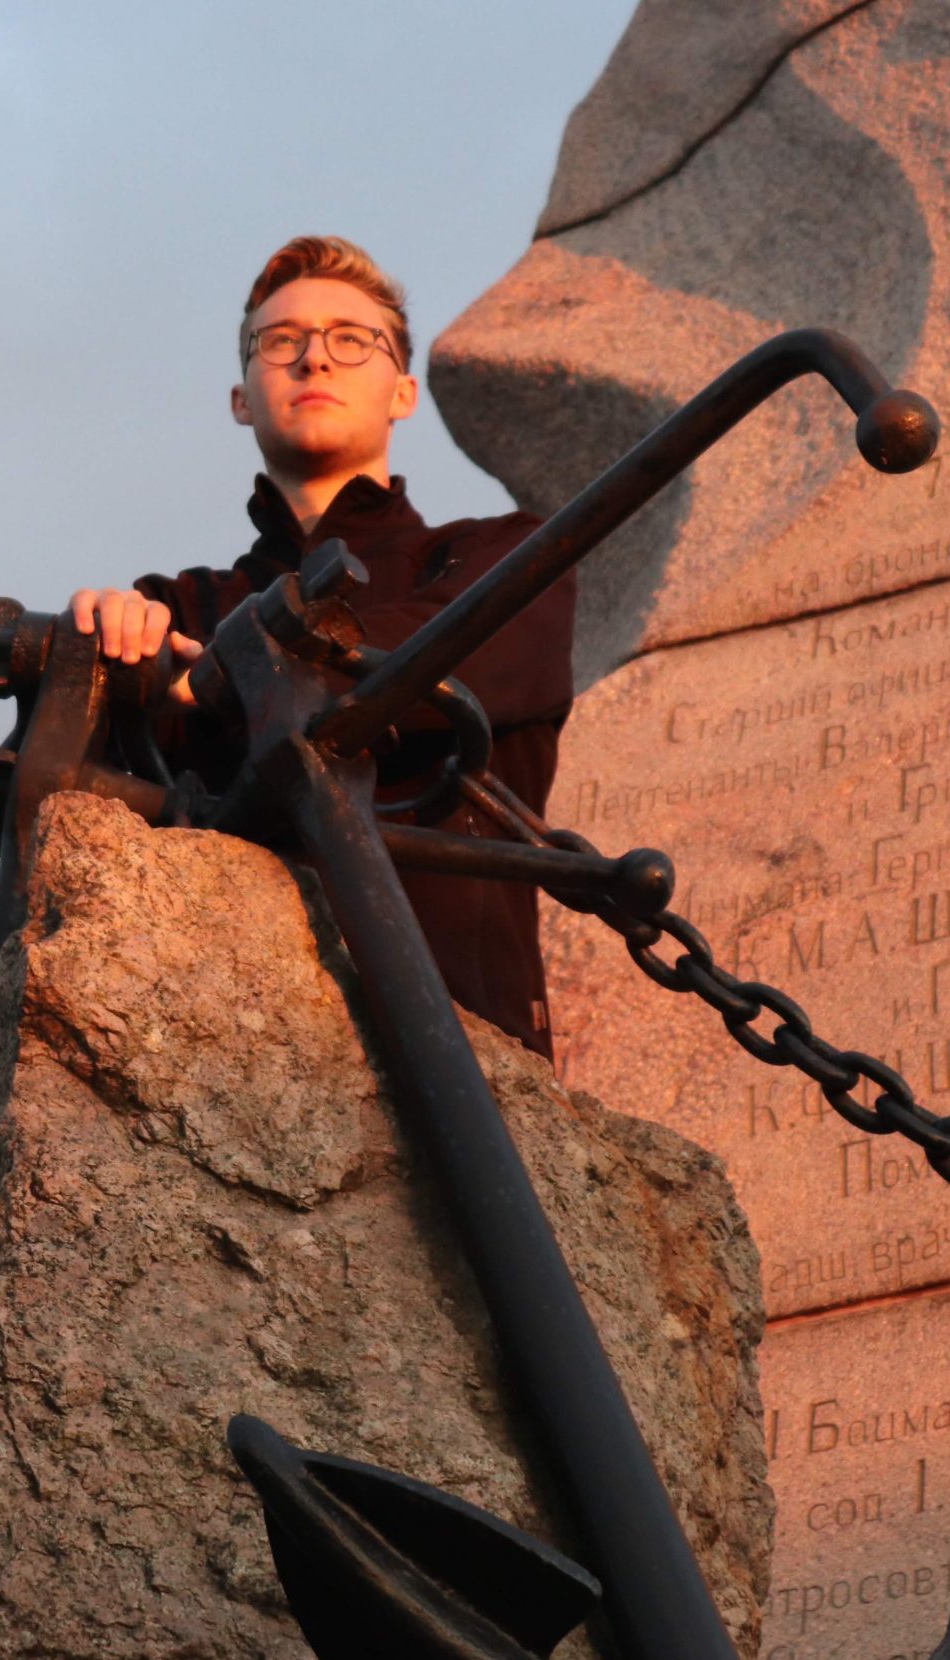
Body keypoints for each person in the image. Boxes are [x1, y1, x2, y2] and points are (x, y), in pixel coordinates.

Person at [68, 235, 574, 1057]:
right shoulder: (176, 604)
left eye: (350, 339)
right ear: (241, 397)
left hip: (462, 1047)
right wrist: (89, 660)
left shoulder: (503, 558)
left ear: (402, 390)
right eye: (282, 342)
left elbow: (458, 660)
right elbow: (64, 818)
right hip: (208, 1046)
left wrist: (230, 674)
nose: (314, 362)